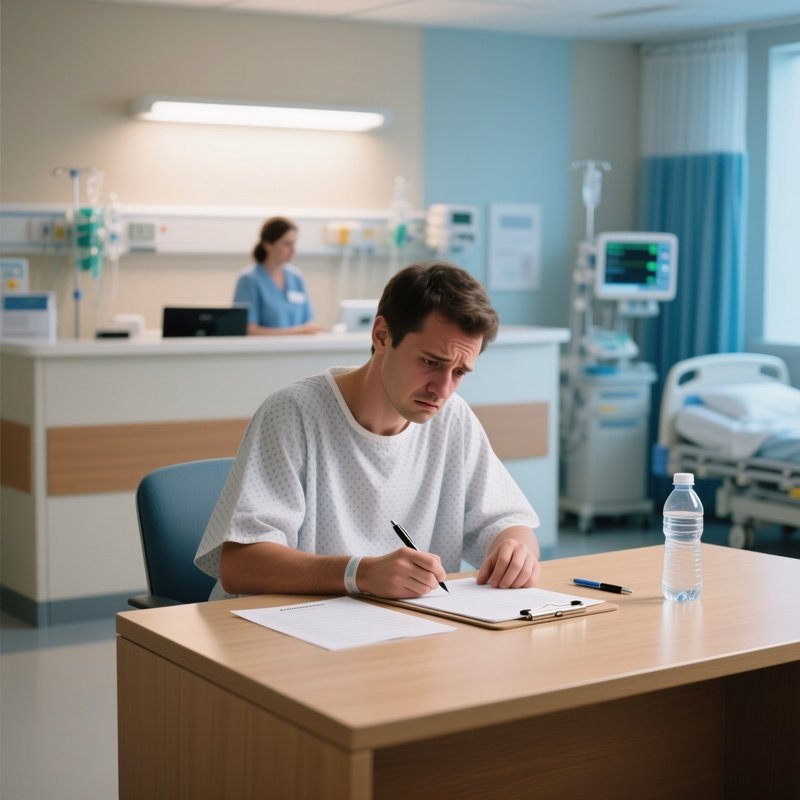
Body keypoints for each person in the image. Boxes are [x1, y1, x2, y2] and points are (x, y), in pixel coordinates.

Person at [196, 261, 541, 600]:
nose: (443, 389)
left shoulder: (453, 420)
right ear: (382, 335)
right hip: (279, 633)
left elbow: (508, 523)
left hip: (396, 633)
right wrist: (360, 574)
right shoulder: (293, 414)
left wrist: (516, 549)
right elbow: (241, 565)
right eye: (431, 362)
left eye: (460, 372)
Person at [234, 216, 324, 335]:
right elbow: (248, 329)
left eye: (294, 244)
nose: (293, 250)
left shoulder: (296, 278)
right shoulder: (249, 280)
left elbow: (309, 323)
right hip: (265, 351)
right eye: (287, 244)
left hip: (297, 350)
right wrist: (294, 332)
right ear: (268, 245)